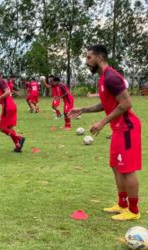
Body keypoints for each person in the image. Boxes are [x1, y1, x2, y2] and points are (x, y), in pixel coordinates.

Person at [69, 44, 142, 221]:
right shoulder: (103, 78)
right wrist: (83, 110)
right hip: (117, 129)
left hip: (127, 128)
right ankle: (122, 204)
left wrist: (102, 121)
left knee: (127, 170)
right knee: (116, 167)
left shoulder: (111, 76)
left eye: (89, 57)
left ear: (99, 58)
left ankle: (133, 210)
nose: (86, 61)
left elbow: (126, 103)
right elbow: (106, 104)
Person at [0, 69, 25, 152]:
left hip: (8, 108)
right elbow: (5, 97)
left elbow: (7, 92)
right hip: (12, 106)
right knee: (9, 128)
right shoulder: (2, 82)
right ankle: (17, 146)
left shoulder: (0, 81)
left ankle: (19, 138)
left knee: (2, 128)